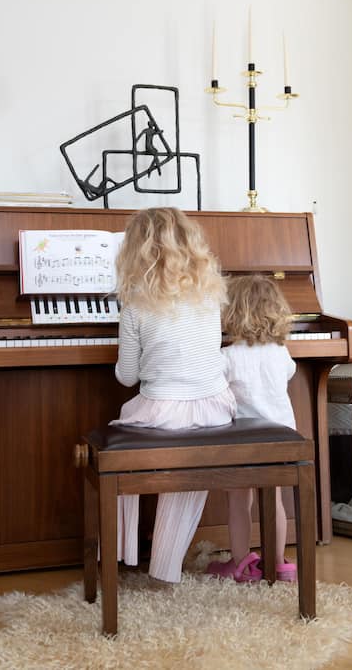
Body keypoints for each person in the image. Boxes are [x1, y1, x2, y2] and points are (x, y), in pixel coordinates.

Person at [111, 207, 236, 584]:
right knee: (189, 456)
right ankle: (164, 566)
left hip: (164, 410)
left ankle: (122, 553)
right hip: (216, 407)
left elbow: (126, 376)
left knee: (120, 449)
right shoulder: (210, 293)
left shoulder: (135, 301)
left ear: (136, 251)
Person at [206, 273, 298, 583]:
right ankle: (277, 563)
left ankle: (241, 562)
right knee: (274, 500)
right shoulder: (280, 352)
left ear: (231, 313)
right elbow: (290, 372)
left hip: (243, 443)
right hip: (282, 441)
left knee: (238, 500)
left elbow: (213, 385)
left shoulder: (228, 356)